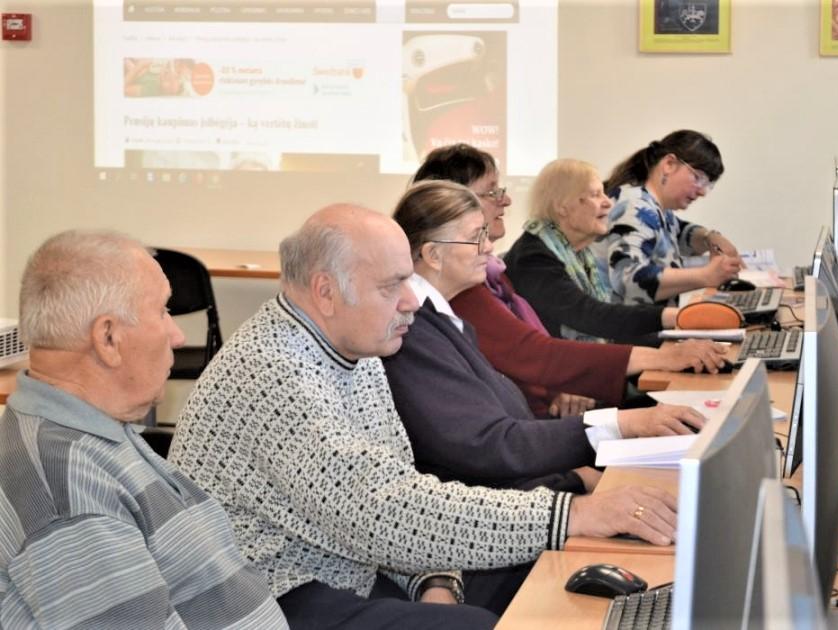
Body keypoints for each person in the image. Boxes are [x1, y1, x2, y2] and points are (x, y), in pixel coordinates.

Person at [168, 204, 679, 628]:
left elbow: (393, 487)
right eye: (392, 286)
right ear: (325, 292)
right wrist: (573, 515)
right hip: (268, 595)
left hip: (350, 566)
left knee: (540, 585)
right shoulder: (272, 372)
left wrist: (436, 580)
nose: (412, 301)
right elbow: (378, 511)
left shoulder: (354, 347)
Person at [0, 230, 287, 629]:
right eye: (163, 312)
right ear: (108, 338)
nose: (178, 335)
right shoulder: (67, 495)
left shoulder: (94, 428)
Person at [384, 180, 708, 495]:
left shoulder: (444, 319)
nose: (489, 246)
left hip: (532, 482)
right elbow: (489, 446)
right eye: (475, 238)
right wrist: (615, 431)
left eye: (484, 233)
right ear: (433, 255)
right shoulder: (416, 331)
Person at [411, 143, 729, 417]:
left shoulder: (543, 261)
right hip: (546, 413)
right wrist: (673, 342)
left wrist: (681, 342)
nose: (505, 201)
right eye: (493, 192)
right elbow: (542, 347)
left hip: (556, 400)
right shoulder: (495, 274)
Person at [503, 158, 676, 344]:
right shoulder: (534, 257)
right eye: (595, 194)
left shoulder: (575, 252)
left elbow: (605, 329)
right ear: (562, 206)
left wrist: (671, 342)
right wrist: (672, 317)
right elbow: (590, 316)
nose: (608, 202)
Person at [596, 129, 743, 305]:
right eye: (698, 178)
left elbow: (679, 232)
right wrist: (706, 276)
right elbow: (628, 279)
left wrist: (709, 238)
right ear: (669, 164)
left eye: (707, 184)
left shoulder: (653, 205)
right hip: (623, 328)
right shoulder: (634, 206)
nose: (702, 191)